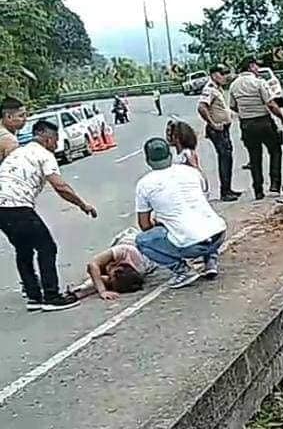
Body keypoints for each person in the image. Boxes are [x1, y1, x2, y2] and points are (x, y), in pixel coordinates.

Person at [0, 119, 98, 311]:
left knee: (24, 249)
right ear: (47, 138)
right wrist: (83, 205)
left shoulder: (20, 151)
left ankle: (34, 296)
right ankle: (51, 296)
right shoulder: (44, 155)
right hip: (17, 205)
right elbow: (61, 187)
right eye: (56, 139)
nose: (57, 144)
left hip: (1, 207)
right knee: (47, 247)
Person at [135, 137, 227, 288]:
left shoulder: (144, 184)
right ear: (170, 156)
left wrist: (162, 224)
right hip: (218, 234)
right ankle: (210, 261)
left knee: (142, 241)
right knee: (200, 218)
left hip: (191, 245)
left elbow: (144, 225)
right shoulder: (191, 171)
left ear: (148, 160)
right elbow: (202, 198)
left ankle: (182, 271)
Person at [229, 56, 283, 200]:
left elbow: (232, 106)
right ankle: (275, 184)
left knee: (254, 158)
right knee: (275, 151)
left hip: (247, 125)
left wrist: (245, 111)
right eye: (256, 66)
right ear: (250, 67)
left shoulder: (234, 85)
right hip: (264, 121)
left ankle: (258, 190)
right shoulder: (259, 83)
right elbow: (271, 104)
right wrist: (282, 118)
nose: (258, 69)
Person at [197, 64, 241, 202]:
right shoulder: (209, 89)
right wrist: (213, 123)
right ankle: (225, 192)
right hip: (218, 130)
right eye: (222, 74)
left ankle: (228, 188)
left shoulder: (218, 89)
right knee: (225, 158)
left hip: (223, 128)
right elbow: (201, 107)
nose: (225, 76)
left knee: (227, 158)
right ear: (215, 75)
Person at [73, 227, 154, 301]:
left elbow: (101, 279)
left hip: (142, 255)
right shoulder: (125, 251)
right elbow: (92, 265)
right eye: (110, 277)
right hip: (131, 239)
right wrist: (102, 291)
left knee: (98, 277)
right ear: (117, 268)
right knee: (98, 270)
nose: (107, 277)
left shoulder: (139, 270)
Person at [166, 119, 211, 196]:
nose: (168, 137)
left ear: (177, 137)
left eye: (170, 134)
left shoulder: (186, 154)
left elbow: (195, 170)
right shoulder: (178, 153)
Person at [0, 96, 27, 163]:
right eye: (21, 116)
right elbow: (15, 168)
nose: (25, 119)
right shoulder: (9, 140)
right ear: (8, 117)